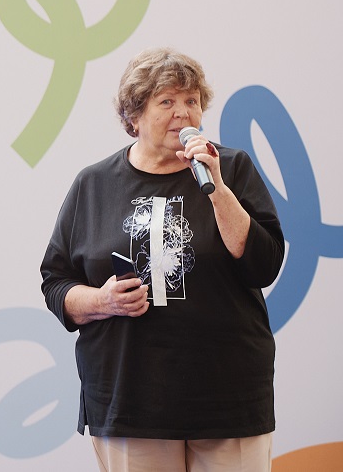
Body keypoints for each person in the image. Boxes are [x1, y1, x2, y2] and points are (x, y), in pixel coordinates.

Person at [40, 47, 285, 472]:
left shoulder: (231, 168)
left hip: (229, 398)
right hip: (130, 400)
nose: (183, 113)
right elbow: (56, 283)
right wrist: (102, 301)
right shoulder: (93, 184)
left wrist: (217, 190)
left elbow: (264, 265)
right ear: (134, 116)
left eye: (192, 100)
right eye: (167, 101)